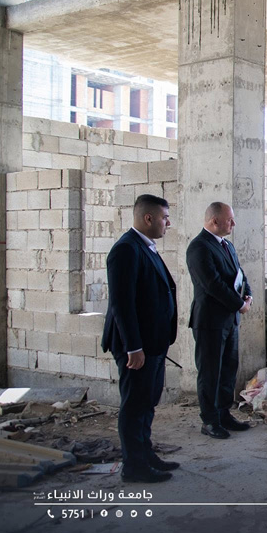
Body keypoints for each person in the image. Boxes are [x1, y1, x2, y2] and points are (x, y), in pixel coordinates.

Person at [101, 194, 179, 483]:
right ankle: (133, 466)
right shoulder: (126, 250)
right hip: (136, 346)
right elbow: (122, 304)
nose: (168, 223)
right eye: (164, 217)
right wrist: (133, 347)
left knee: (147, 402)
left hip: (153, 343)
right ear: (148, 218)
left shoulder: (145, 246)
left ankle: (145, 455)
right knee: (134, 405)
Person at [186, 202, 253, 439]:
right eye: (229, 220)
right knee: (210, 373)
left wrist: (248, 295)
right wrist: (239, 305)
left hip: (230, 321)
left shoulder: (227, 245)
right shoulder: (199, 247)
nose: (234, 223)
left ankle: (224, 414)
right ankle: (210, 421)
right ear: (214, 221)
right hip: (210, 322)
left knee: (228, 370)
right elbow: (213, 284)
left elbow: (239, 274)